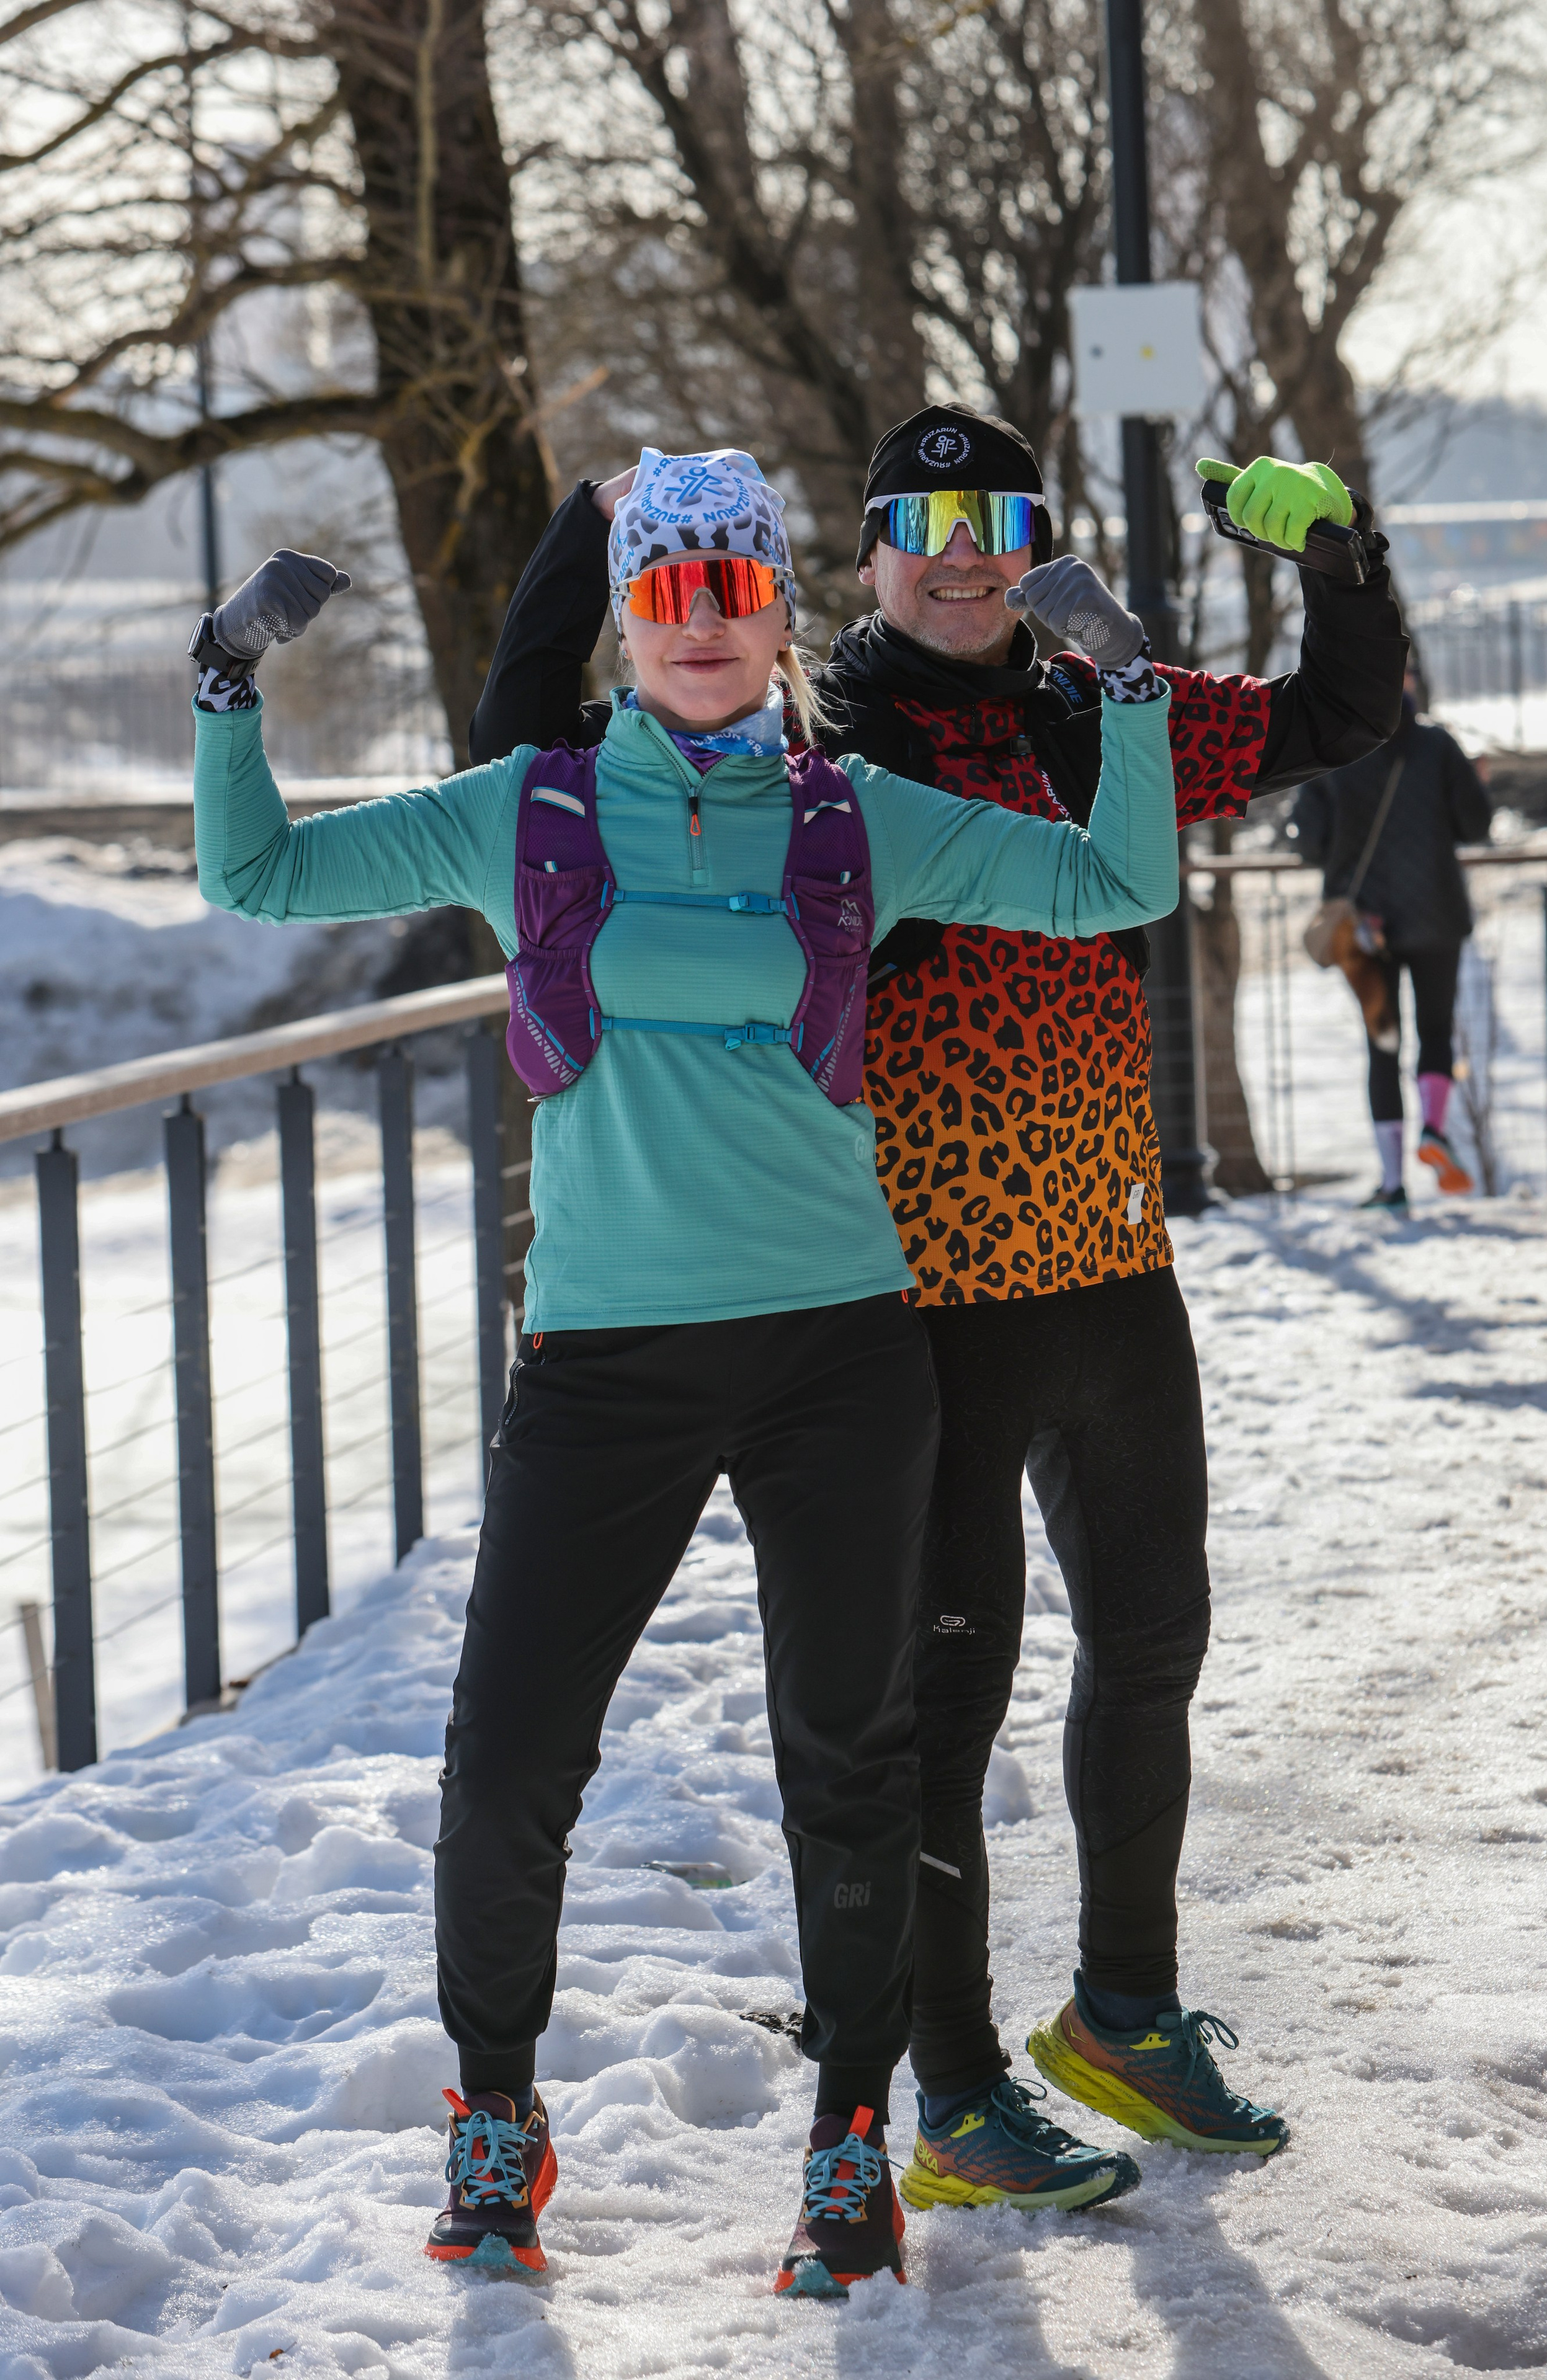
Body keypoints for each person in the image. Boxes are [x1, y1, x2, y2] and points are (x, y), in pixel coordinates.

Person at [186, 446, 1180, 2295]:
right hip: (606, 1360)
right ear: (627, 617)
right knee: (505, 1764)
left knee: (850, 1761)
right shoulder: (532, 804)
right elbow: (249, 872)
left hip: (836, 1353)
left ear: (772, 615)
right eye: (665, 591)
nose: (700, 623)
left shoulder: (853, 813)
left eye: (731, 590)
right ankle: (495, 2114)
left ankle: (848, 2139)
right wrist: (229, 686)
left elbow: (1115, 877)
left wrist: (1123, 686)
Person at [469, 407, 1409, 2201]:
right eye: (923, 521)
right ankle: (954, 2084)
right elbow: (529, 752)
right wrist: (579, 548)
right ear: (871, 551)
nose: (964, 550)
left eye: (998, 519)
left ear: (1034, 537)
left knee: (1153, 1642)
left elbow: (1338, 719)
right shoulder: (812, 740)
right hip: (919, 1292)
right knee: (935, 1711)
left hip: (1113, 1264)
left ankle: (1126, 2008)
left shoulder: (1083, 706)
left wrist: (1337, 552)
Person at [1293, 664, 1492, 1210]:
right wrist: (1477, 782)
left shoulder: (1331, 751)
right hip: (1435, 916)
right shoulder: (1437, 745)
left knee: (1383, 1044)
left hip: (1362, 929)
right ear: (1408, 685)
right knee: (1435, 1032)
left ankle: (1391, 1181)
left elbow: (1307, 843)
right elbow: (1475, 827)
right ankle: (1434, 1130)